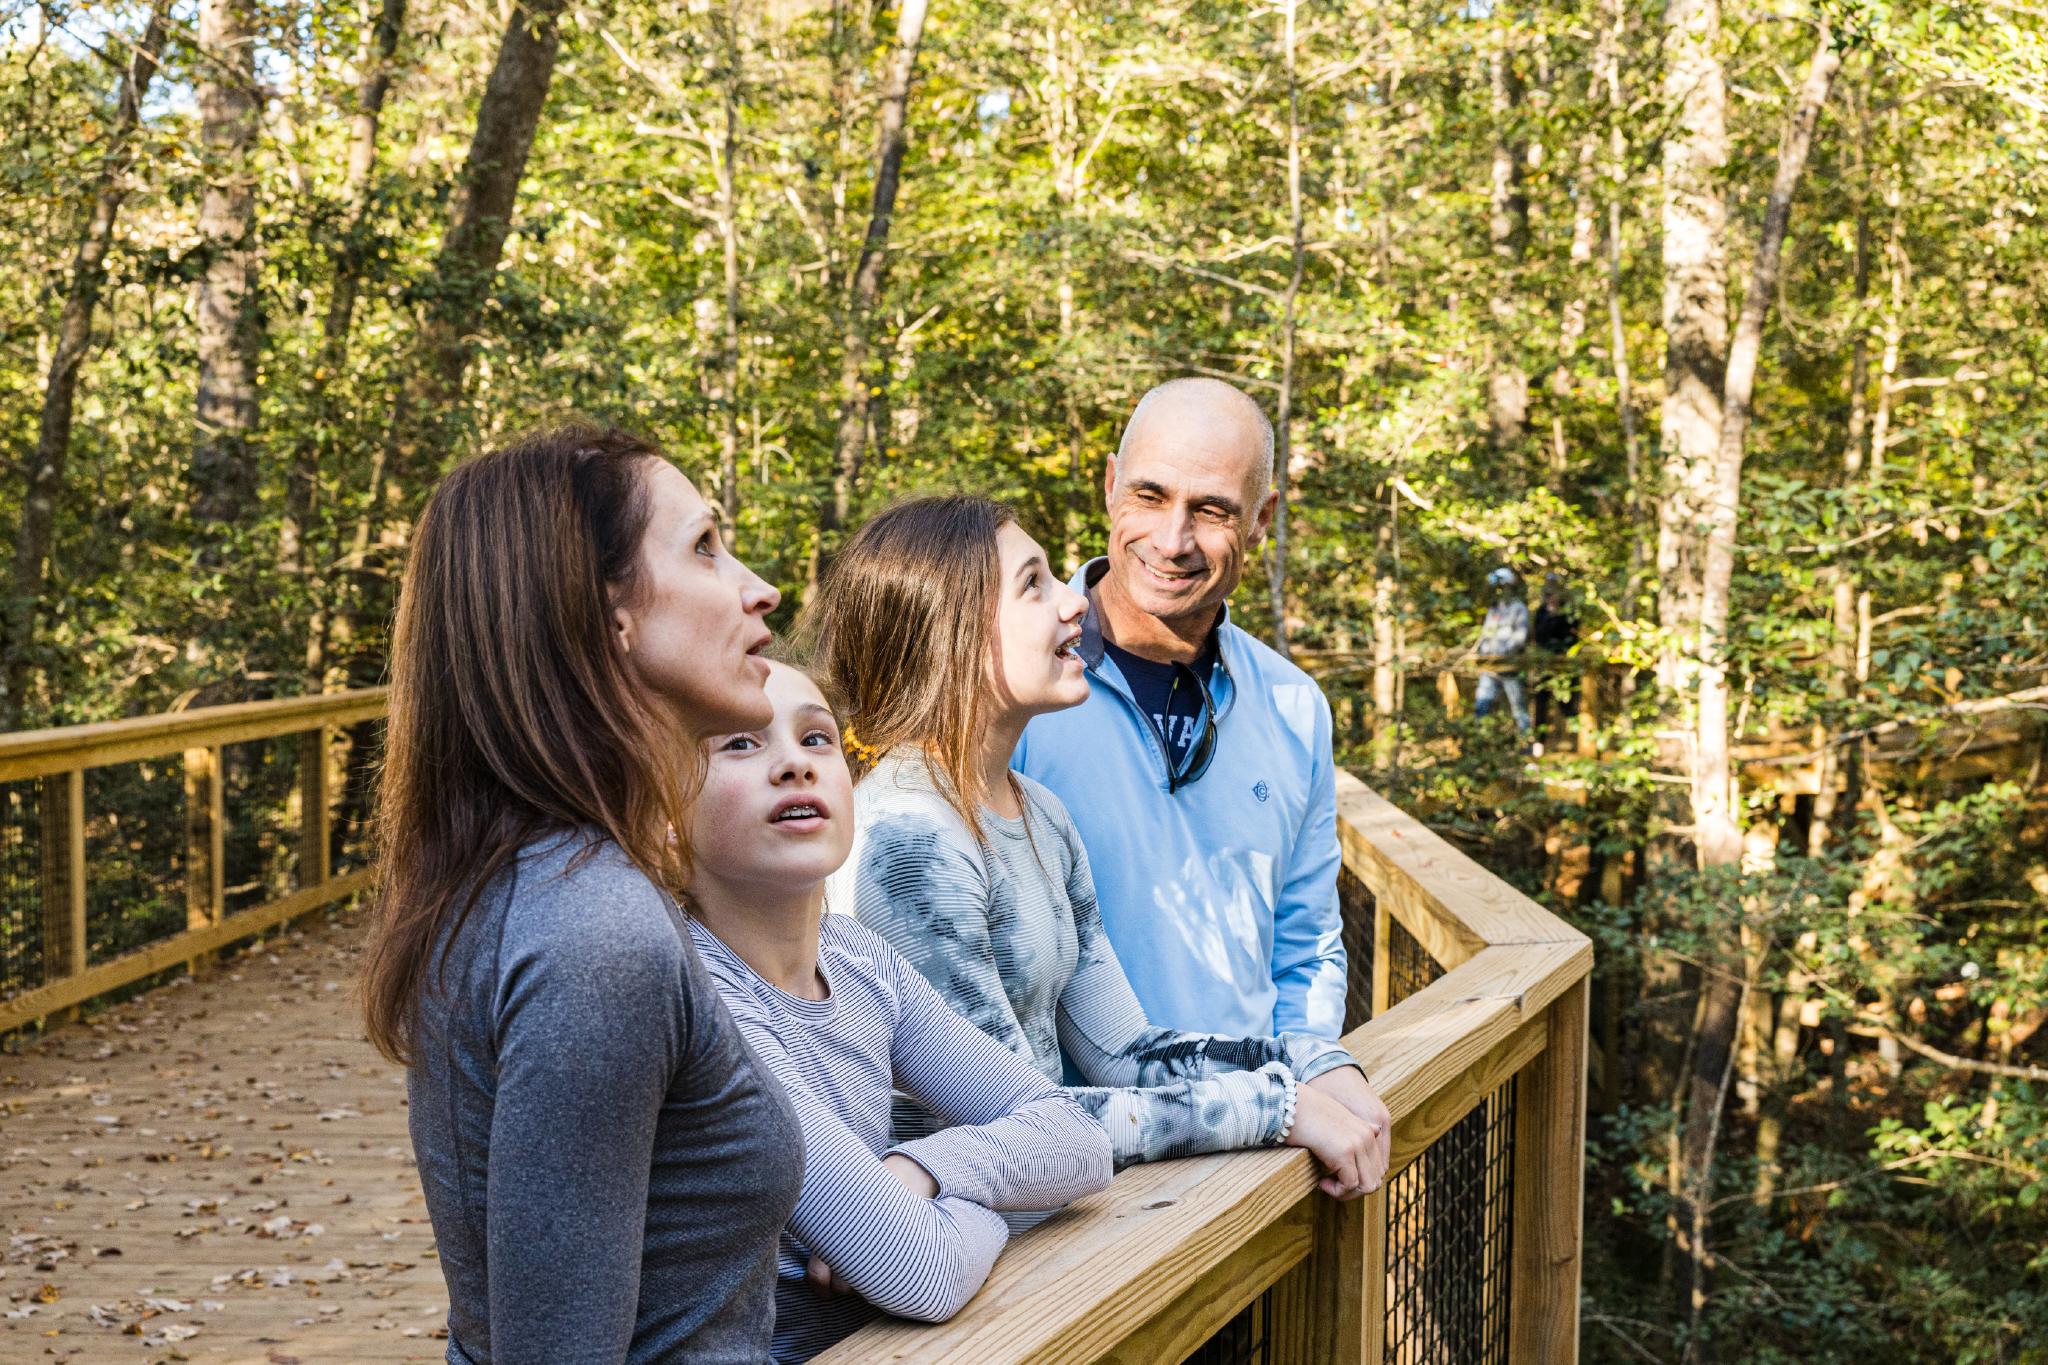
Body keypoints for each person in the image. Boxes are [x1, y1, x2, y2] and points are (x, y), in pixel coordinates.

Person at [361, 425, 805, 1364]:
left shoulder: (538, 885)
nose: (758, 587)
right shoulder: (594, 935)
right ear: (610, 617)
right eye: (703, 548)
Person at [805, 494, 1391, 1191]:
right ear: (951, 632)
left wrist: (1310, 1061)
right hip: (944, 1266)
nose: (1073, 603)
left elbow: (1124, 1049)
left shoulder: (1042, 815)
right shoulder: (908, 845)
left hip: (1044, 1232)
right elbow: (1018, 1123)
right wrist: (1278, 1106)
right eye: (1033, 585)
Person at [685, 657, 1113, 1363]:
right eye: (741, 742)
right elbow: (920, 1269)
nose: (794, 764)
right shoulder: (703, 999)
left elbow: (1080, 1141)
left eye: (817, 738)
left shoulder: (858, 958)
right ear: (662, 818)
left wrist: (918, 1171)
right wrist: (995, 1197)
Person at [1008, 377, 1348, 1043]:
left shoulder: (1294, 707)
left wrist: (1313, 1069)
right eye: (1149, 494)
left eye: (1213, 510)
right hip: (1070, 1131)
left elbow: (1305, 949)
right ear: (1110, 486)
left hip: (1256, 1131)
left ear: (1261, 519)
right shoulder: (1012, 682)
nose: (1172, 539)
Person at [1470, 565, 1533, 735]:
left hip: (1509, 667)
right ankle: (1479, 740)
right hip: (1489, 667)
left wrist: (1503, 654)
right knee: (1482, 703)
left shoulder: (1518, 609)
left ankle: (1526, 742)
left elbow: (1519, 638)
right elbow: (1486, 633)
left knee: (1518, 705)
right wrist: (1484, 652)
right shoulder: (1494, 609)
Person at [1529, 571, 1578, 741]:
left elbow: (1572, 637)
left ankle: (1575, 740)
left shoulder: (1569, 611)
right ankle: (1539, 743)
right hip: (1544, 664)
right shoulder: (1542, 611)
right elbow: (1537, 636)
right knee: (1541, 703)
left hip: (1564, 665)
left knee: (1566, 703)